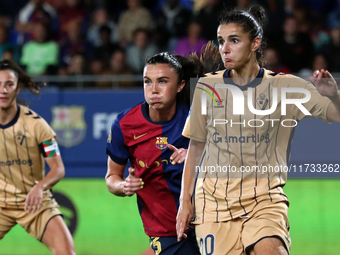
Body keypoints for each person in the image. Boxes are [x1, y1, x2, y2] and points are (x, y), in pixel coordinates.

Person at [176, 6, 340, 255]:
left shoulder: (286, 88)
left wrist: (334, 96)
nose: (225, 49)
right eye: (221, 41)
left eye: (234, 40)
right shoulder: (207, 88)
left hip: (264, 201)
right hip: (214, 207)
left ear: (255, 43)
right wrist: (184, 202)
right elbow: (196, 147)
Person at [105, 43, 222, 254]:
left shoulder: (199, 114)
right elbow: (111, 177)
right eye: (147, 82)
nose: (154, 90)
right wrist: (124, 186)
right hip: (167, 231)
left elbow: (233, 155)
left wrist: (195, 155)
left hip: (212, 221)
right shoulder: (124, 125)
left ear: (180, 85)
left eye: (163, 81)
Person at [0, 59, 76, 254]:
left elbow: (58, 169)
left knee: (67, 252)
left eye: (9, 84)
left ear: (17, 89)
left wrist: (40, 188)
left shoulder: (37, 125)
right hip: (1, 204)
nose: (3, 90)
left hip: (34, 202)